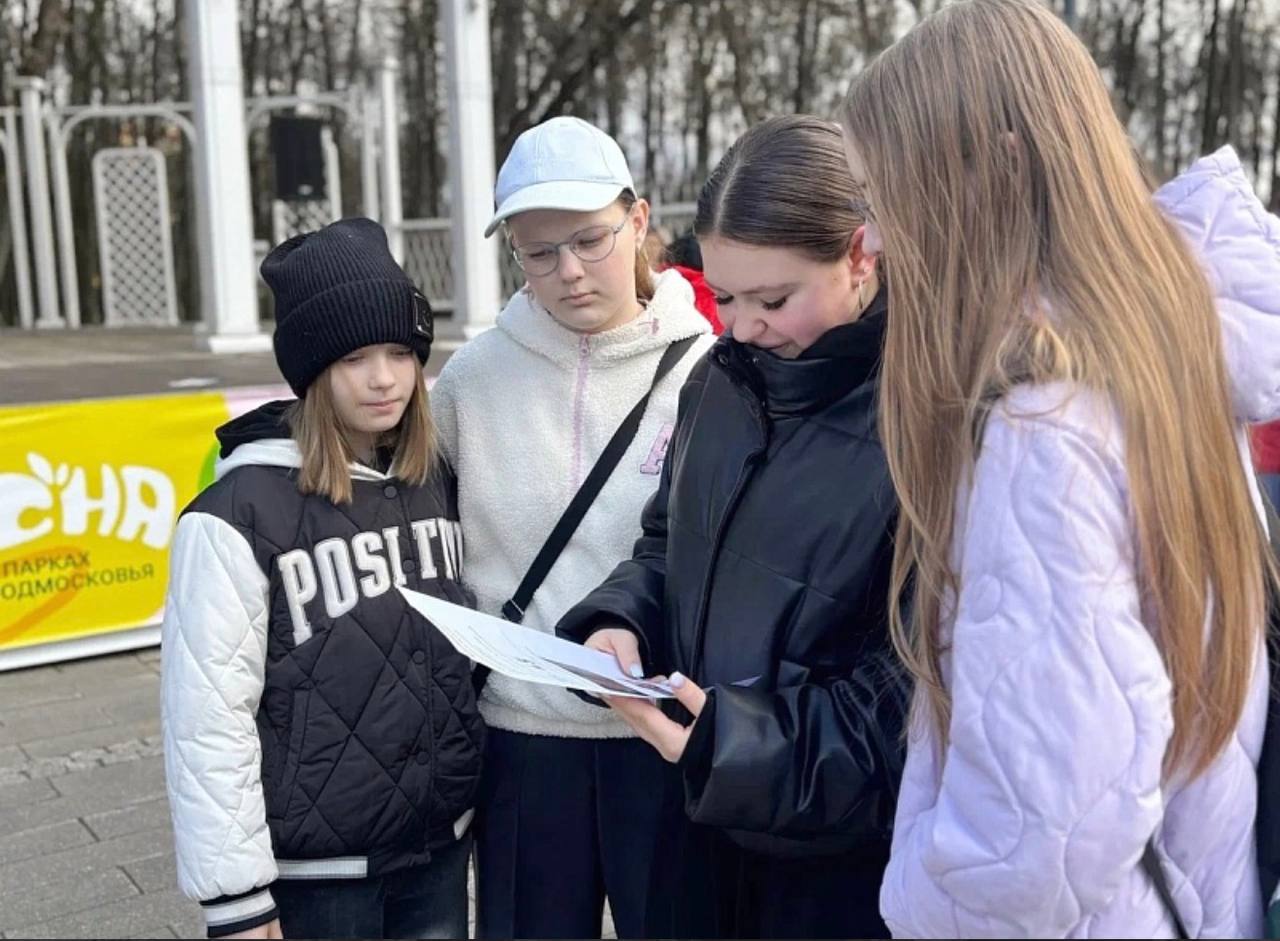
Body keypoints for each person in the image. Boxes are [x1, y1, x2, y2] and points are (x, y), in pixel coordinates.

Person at [840, 1, 1278, 935]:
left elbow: (1038, 839)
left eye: (885, 201)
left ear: (994, 172)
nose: (871, 242)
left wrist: (910, 894)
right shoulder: (1168, 351)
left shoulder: (1043, 428)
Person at [556, 114, 910, 940]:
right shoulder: (718, 379)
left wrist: (728, 742)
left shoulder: (928, 423)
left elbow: (911, 711)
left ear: (863, 254)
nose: (743, 325)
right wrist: (621, 618)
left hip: (836, 880)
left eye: (774, 298)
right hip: (694, 834)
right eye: (726, 296)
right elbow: (667, 544)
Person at [429, 116, 714, 940]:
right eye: (538, 250)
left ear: (639, 220)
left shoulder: (708, 366)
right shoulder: (472, 379)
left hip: (661, 733)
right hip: (519, 740)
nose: (569, 271)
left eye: (589, 239)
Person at [161, 219, 482, 940]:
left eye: (401, 352)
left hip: (435, 850)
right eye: (354, 357)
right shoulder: (237, 513)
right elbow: (207, 715)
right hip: (316, 878)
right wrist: (235, 896)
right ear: (311, 369)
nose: (384, 378)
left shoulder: (435, 479)